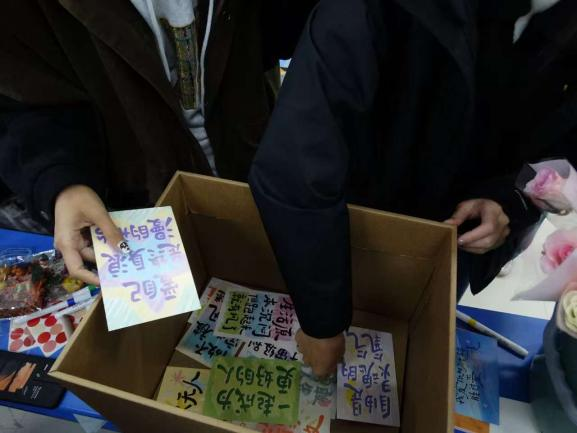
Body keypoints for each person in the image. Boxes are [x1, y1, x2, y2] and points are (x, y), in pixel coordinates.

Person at [249, 0, 577, 378]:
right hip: (337, 237)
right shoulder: (369, 12)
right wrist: (321, 321)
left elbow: (560, 154)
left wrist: (511, 198)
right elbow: (297, 163)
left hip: (451, 246)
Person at [0, 0, 316, 283]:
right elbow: (27, 93)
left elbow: (290, 35)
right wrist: (61, 182)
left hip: (256, 166)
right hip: (132, 201)